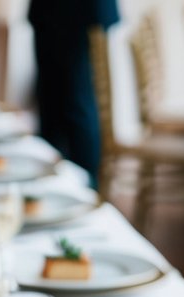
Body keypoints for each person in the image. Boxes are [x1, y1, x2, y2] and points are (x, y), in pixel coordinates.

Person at [27, 0, 121, 189]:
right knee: (59, 104)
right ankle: (59, 186)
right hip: (64, 12)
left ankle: (80, 189)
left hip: (72, 11)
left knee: (74, 105)